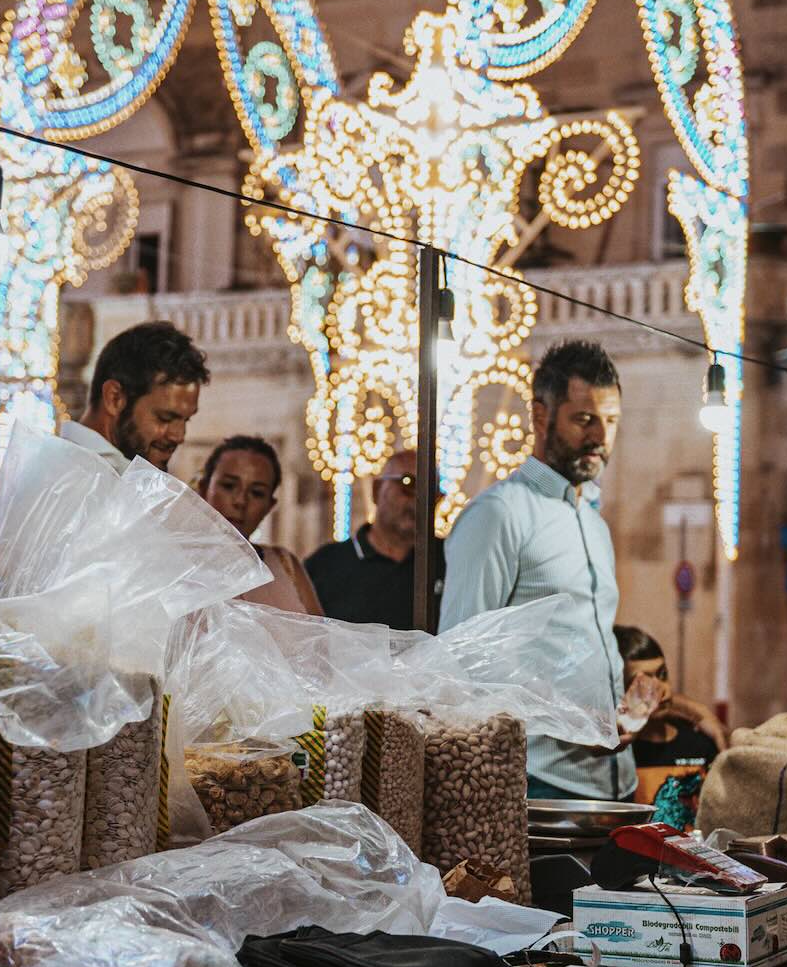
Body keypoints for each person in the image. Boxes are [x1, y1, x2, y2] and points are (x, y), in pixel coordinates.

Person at [440, 339, 630, 798]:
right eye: (584, 420)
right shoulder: (500, 514)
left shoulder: (592, 519)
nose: (600, 438)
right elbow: (462, 659)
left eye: (611, 422)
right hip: (540, 778)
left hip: (614, 779)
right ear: (541, 416)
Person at [304, 448, 442, 631]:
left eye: (431, 492)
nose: (419, 499)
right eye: (408, 484)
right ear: (377, 490)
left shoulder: (449, 560)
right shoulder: (325, 566)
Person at [615, 625, 725, 829]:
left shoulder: (698, 742)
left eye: (663, 674)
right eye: (644, 682)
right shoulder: (619, 754)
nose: (661, 689)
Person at [62, 320, 208, 473]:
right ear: (114, 398)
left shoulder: (126, 474)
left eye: (186, 419)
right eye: (165, 418)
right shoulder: (76, 475)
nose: (178, 436)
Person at [199, 435, 321, 615]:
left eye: (256, 493)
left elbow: (321, 637)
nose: (240, 501)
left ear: (269, 507)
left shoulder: (285, 566)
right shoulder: (176, 565)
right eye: (228, 486)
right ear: (203, 490)